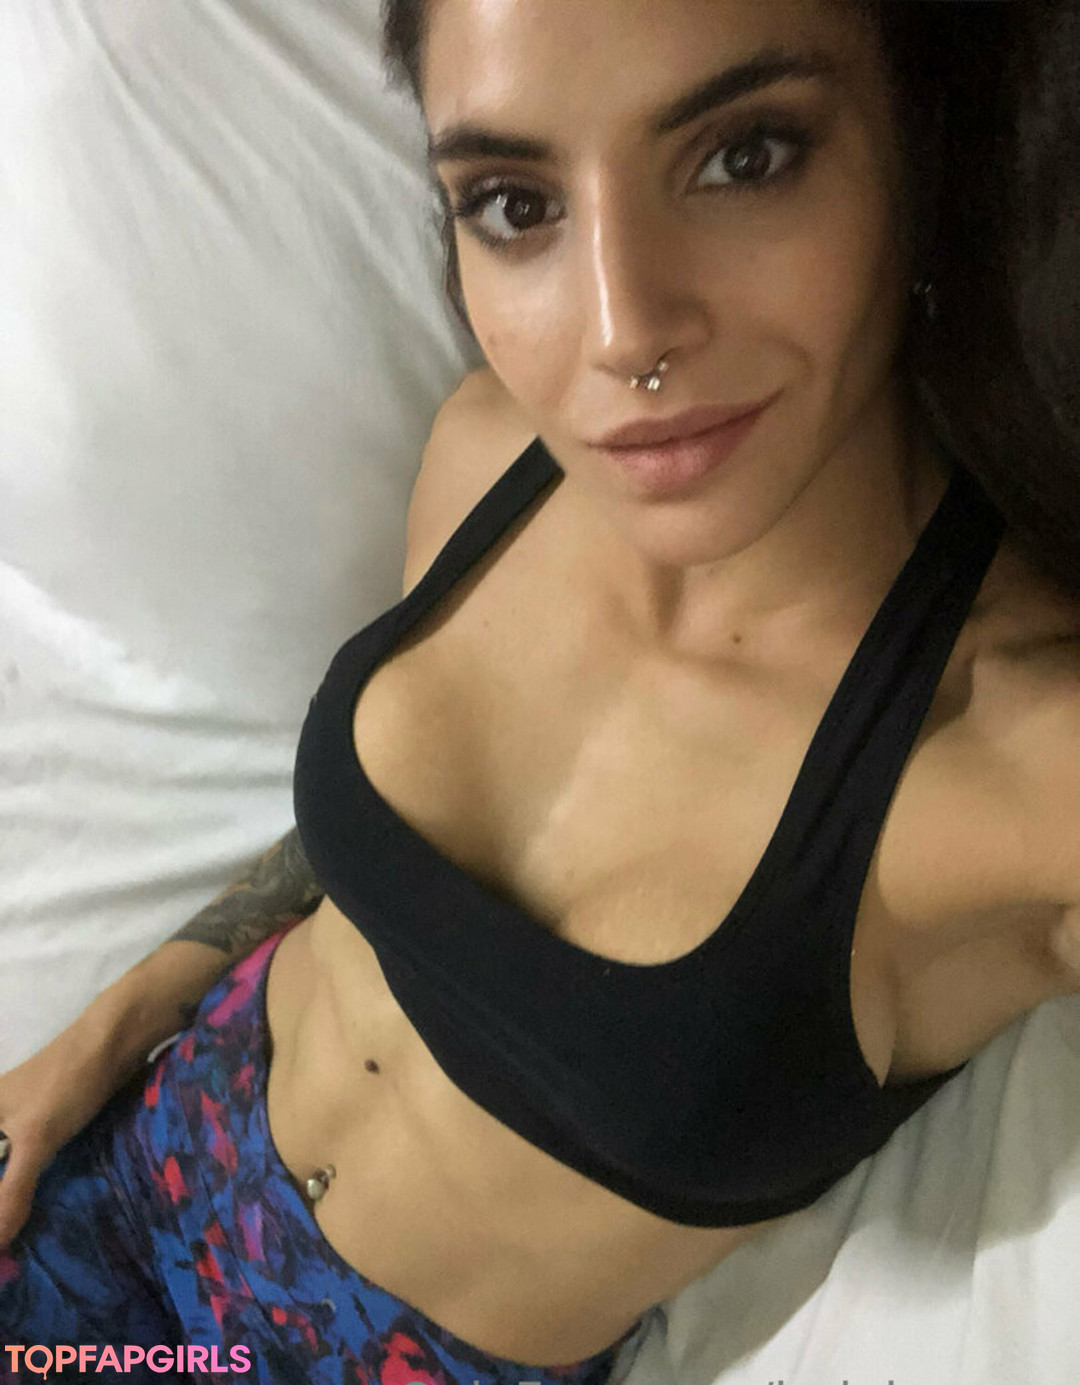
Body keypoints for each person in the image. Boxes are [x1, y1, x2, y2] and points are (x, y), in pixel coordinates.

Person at [2, 0, 1079, 1379]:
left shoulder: (1020, 760)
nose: (626, 333)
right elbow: (367, 881)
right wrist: (105, 1031)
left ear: (924, 144)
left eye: (745, 157)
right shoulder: (488, 454)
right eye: (515, 204)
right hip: (121, 1162)